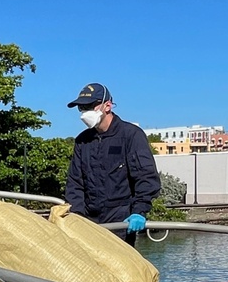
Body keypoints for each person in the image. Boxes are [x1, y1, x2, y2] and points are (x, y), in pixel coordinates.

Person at [64, 82, 161, 247]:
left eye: (89, 106)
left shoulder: (131, 135)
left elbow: (145, 178)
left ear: (107, 106)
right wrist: (76, 217)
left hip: (121, 222)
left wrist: (139, 211)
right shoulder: (83, 141)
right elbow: (75, 183)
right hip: (89, 222)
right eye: (81, 108)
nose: (85, 112)